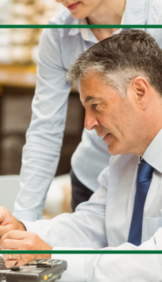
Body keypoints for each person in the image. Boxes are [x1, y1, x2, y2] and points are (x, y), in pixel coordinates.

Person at [0, 30, 162, 281]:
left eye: (96, 106)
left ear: (140, 92)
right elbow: (92, 224)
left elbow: (154, 264)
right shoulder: (126, 160)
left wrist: (51, 258)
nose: (88, 124)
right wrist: (23, 232)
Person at [14, 0, 162, 219]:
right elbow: (45, 131)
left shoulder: (156, 18)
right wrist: (23, 223)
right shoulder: (59, 35)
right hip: (93, 182)